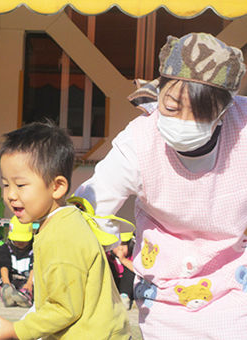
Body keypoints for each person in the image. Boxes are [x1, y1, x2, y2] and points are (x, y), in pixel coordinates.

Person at [74, 32, 247, 338]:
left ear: (223, 111)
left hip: (236, 288)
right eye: (172, 106)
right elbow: (91, 207)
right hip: (163, 295)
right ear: (160, 92)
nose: (182, 119)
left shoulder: (243, 128)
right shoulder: (139, 142)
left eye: (199, 112)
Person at [0, 122, 130, 340]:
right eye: (6, 185)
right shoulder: (62, 223)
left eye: (21, 185)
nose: (11, 195)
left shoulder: (62, 236)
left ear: (57, 187)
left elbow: (64, 308)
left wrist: (17, 331)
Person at [0, 216, 34, 308]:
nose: (20, 243)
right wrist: (6, 283)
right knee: (3, 284)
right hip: (11, 278)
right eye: (17, 240)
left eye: (23, 240)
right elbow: (4, 265)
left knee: (35, 285)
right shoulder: (6, 247)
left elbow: (35, 266)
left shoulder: (34, 247)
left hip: (28, 279)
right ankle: (7, 295)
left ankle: (26, 296)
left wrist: (29, 283)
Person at [107, 235, 135, 310]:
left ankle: (124, 298)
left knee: (130, 269)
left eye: (124, 244)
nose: (120, 248)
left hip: (127, 288)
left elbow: (136, 269)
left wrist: (123, 259)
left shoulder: (132, 256)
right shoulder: (108, 256)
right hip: (115, 284)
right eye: (117, 245)